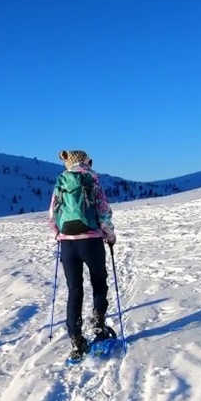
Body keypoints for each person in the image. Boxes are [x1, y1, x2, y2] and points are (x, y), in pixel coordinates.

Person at [49, 149, 117, 360]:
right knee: (99, 281)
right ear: (87, 162)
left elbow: (52, 214)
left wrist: (59, 234)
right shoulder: (91, 180)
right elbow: (103, 211)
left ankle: (76, 340)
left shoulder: (61, 182)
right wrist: (109, 234)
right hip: (91, 241)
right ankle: (98, 325)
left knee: (74, 290)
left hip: (68, 244)